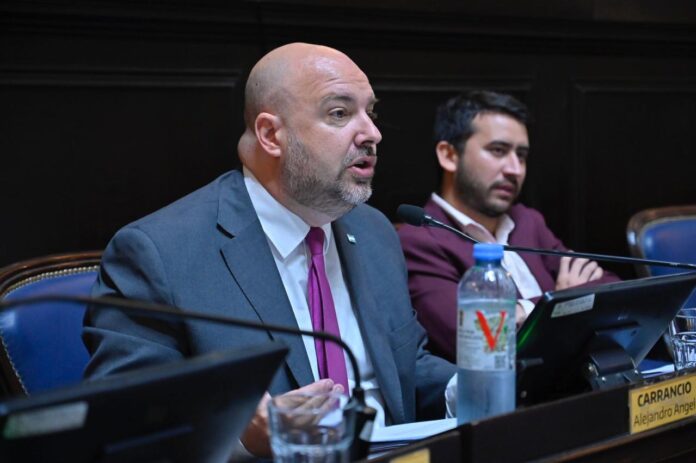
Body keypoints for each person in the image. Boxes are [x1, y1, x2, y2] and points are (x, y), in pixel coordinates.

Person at [82, 43, 456, 458]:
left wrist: (475, 386)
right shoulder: (161, 253)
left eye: (371, 112)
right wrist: (241, 438)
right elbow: (125, 427)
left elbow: (407, 368)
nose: (371, 133)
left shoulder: (374, 232)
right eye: (339, 113)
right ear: (271, 135)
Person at [397, 90, 620, 363]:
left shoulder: (527, 221)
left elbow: (611, 288)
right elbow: (476, 338)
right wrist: (561, 302)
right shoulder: (419, 240)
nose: (515, 169)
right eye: (498, 151)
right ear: (449, 155)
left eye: (521, 155)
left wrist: (536, 309)